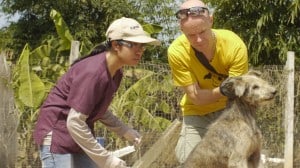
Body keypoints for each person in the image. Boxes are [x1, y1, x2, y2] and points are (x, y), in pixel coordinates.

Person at [33, 17, 160, 168]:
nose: (140, 51)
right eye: (134, 45)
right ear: (116, 45)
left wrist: (124, 130)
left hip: (78, 136)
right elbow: (74, 122)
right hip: (57, 136)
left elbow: (98, 110)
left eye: (142, 46)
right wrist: (108, 160)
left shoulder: (116, 73)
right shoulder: (93, 72)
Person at [167, 0, 249, 164]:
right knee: (189, 160)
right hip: (196, 112)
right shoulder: (176, 51)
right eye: (190, 35)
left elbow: (237, 94)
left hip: (228, 111)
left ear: (211, 20)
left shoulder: (234, 45)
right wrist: (223, 90)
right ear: (181, 29)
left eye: (202, 32)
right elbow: (196, 98)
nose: (198, 40)